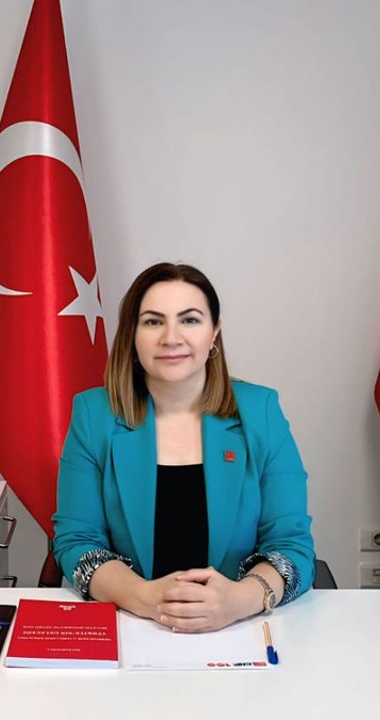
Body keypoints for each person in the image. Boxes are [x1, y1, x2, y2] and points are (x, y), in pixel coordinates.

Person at [53, 263, 316, 633]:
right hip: (132, 626)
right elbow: (77, 541)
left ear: (214, 333)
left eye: (190, 320)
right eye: (153, 322)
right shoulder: (93, 415)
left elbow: (291, 545)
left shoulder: (261, 412)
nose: (171, 337)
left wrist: (238, 601)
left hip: (239, 630)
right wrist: (145, 597)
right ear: (132, 334)